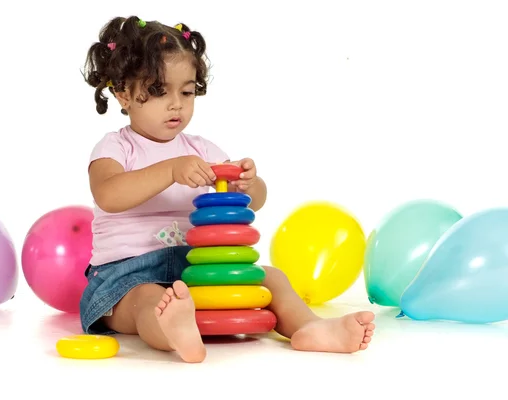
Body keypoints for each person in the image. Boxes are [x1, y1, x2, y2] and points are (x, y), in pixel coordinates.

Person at [79, 15, 376, 363]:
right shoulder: (116, 147)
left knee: (271, 279)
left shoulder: (202, 150)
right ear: (122, 94)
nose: (177, 103)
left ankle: (311, 328)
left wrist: (248, 183)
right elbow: (108, 195)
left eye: (187, 91)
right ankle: (173, 330)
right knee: (149, 301)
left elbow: (255, 201)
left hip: (199, 269)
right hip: (126, 275)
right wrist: (171, 170)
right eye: (159, 91)